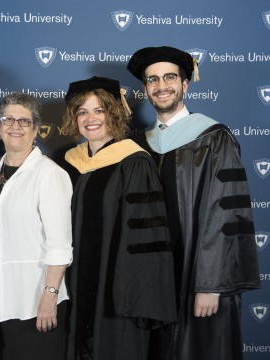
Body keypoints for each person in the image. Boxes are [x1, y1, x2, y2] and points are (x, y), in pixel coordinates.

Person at [127, 46, 260, 360]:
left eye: (170, 77)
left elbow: (225, 213)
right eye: (152, 79)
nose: (161, 85)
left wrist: (210, 285)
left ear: (185, 84)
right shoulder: (140, 146)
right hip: (156, 284)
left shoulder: (214, 138)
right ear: (145, 89)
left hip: (199, 278)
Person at [62, 76, 176, 360]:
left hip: (117, 293)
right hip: (73, 287)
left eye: (99, 110)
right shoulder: (68, 162)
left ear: (113, 113)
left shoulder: (134, 162)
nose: (91, 119)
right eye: (83, 111)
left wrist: (137, 298)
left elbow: (146, 236)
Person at [0, 92, 72, 360]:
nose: (15, 126)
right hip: (0, 296)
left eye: (24, 121)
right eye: (8, 119)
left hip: (35, 300)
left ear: (36, 129)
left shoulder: (50, 173)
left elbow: (60, 244)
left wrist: (50, 296)